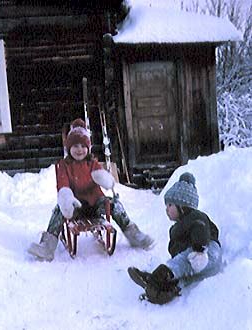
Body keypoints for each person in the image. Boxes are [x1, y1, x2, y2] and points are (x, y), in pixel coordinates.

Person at [28, 118, 154, 261]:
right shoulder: (64, 165)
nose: (79, 149)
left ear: (88, 148)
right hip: (75, 207)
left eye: (83, 145)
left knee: (115, 204)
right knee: (58, 210)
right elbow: (63, 186)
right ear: (69, 148)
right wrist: (66, 198)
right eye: (75, 146)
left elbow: (101, 176)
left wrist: (104, 179)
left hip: (95, 204)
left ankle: (133, 235)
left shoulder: (92, 163)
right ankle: (47, 246)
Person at [128, 172, 222, 304]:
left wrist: (199, 250)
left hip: (208, 254)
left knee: (181, 262)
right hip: (198, 265)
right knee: (183, 271)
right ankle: (164, 290)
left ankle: (156, 277)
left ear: (183, 206)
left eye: (170, 205)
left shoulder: (195, 216)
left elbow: (200, 227)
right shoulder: (178, 227)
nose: (167, 209)